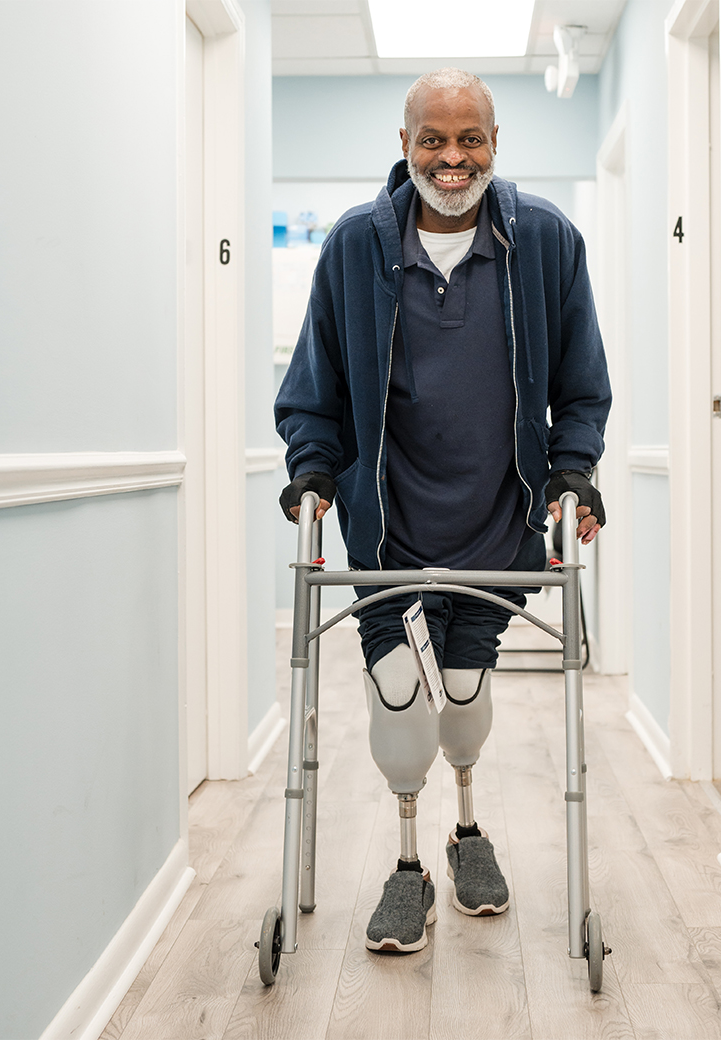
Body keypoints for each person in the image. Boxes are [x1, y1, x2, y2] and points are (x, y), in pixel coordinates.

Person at [275, 68, 610, 953]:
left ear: (495, 146)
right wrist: (311, 469)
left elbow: (582, 385)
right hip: (383, 526)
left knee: (462, 694)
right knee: (398, 703)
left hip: (496, 523)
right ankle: (406, 864)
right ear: (404, 144)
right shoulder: (355, 246)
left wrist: (574, 472)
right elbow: (317, 388)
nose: (452, 159)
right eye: (434, 139)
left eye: (471, 141)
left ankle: (467, 833)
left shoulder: (544, 241)